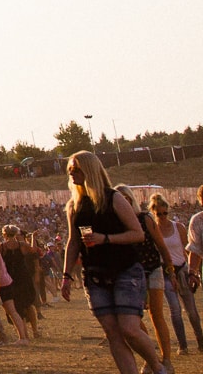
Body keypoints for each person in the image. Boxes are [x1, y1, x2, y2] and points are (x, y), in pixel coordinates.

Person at [60, 150, 164, 374]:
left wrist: (105, 239)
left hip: (125, 271)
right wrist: (66, 275)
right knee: (113, 334)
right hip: (95, 274)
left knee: (129, 329)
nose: (71, 173)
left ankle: (158, 367)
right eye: (69, 170)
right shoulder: (74, 206)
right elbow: (73, 241)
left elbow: (138, 234)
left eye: (75, 169)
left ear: (89, 170)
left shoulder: (113, 198)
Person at [118, 184, 176, 372]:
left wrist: (171, 271)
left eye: (126, 198)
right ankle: (150, 355)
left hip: (153, 269)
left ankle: (166, 359)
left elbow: (161, 245)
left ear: (131, 199)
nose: (123, 201)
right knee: (133, 319)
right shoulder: (116, 225)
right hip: (132, 274)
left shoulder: (144, 218)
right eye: (119, 198)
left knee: (156, 314)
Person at [154, 192, 203, 352]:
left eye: (164, 213)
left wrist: (191, 271)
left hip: (182, 270)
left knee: (192, 311)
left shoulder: (178, 227)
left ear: (168, 211)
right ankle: (183, 346)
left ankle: (201, 342)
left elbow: (189, 250)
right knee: (175, 310)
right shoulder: (153, 230)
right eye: (158, 213)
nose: (162, 216)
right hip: (166, 273)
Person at [0, 225, 41, 341]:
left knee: (16, 308)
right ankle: (34, 331)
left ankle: (24, 335)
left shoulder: (2, 247)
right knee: (28, 304)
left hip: (10, 279)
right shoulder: (21, 245)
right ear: (15, 234)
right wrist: (33, 237)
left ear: (4, 234)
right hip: (23, 278)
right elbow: (33, 250)